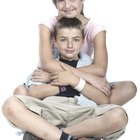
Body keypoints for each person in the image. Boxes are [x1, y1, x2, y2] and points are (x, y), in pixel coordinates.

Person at [2, 17, 128, 140]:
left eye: (76, 40)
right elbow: (33, 93)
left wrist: (74, 80)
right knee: (10, 104)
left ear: (83, 41)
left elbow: (103, 100)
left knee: (119, 116)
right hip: (51, 111)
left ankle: (56, 135)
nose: (70, 45)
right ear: (55, 42)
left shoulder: (91, 66)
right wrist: (64, 85)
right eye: (63, 40)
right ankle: (70, 137)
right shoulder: (47, 64)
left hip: (83, 113)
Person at [14, 0, 137, 106]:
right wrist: (76, 78)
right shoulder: (47, 24)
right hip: (55, 79)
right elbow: (47, 63)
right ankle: (51, 122)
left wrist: (77, 79)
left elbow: (100, 69)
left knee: (128, 88)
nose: (67, 5)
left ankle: (85, 116)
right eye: (61, 0)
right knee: (19, 93)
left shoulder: (95, 28)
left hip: (85, 83)